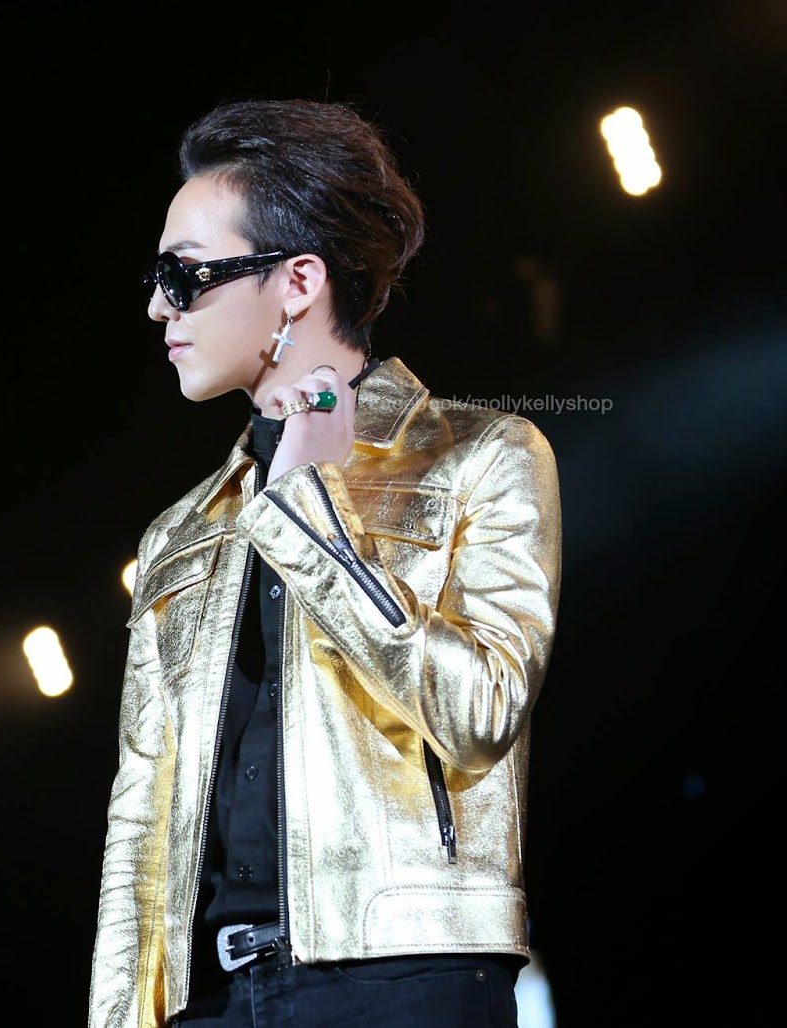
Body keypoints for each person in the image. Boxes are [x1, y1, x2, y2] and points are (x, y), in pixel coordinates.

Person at [89, 97, 563, 1027]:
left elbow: (480, 714)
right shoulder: (178, 533)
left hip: (404, 974)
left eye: (183, 275)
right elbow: (139, 817)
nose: (157, 306)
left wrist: (306, 510)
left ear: (297, 280)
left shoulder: (483, 455)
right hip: (208, 999)